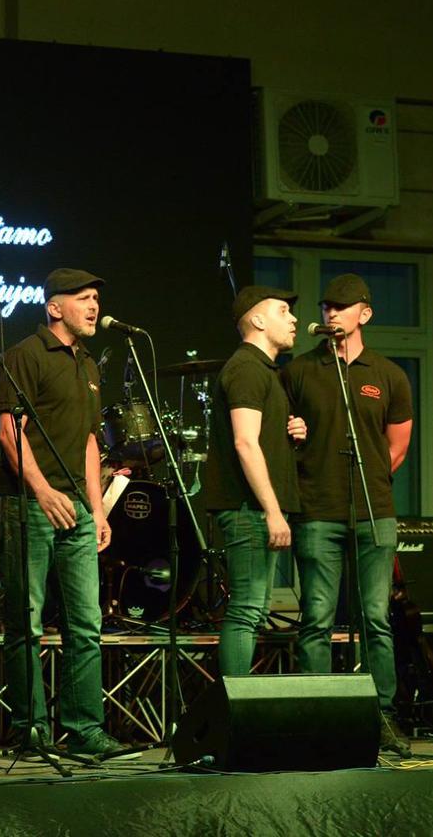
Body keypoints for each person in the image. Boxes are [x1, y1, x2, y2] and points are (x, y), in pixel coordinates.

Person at [0, 268, 132, 760]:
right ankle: (31, 731)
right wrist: (43, 490)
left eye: (97, 297)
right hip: (31, 504)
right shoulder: (26, 354)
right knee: (26, 622)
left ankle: (84, 729)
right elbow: (10, 432)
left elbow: (91, 441)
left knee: (85, 624)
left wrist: (97, 508)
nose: (94, 305)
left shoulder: (89, 363)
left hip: (76, 505)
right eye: (83, 298)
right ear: (54, 307)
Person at [283, 273, 415, 757]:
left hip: (374, 511)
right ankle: (317, 715)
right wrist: (292, 432)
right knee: (317, 617)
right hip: (318, 509)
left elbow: (397, 446)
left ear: (365, 313)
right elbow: (280, 434)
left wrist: (371, 478)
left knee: (376, 617)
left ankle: (383, 716)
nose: (332, 313)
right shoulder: (299, 371)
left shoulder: (388, 374)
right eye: (327, 307)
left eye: (341, 307)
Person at [199, 285, 305, 678]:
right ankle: (235, 703)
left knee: (255, 610)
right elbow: (245, 443)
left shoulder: (265, 371)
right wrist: (272, 511)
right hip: (249, 510)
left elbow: (259, 437)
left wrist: (291, 430)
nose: (294, 319)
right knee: (246, 610)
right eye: (283, 311)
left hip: (256, 509)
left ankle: (239, 699)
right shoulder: (246, 368)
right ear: (258, 320)